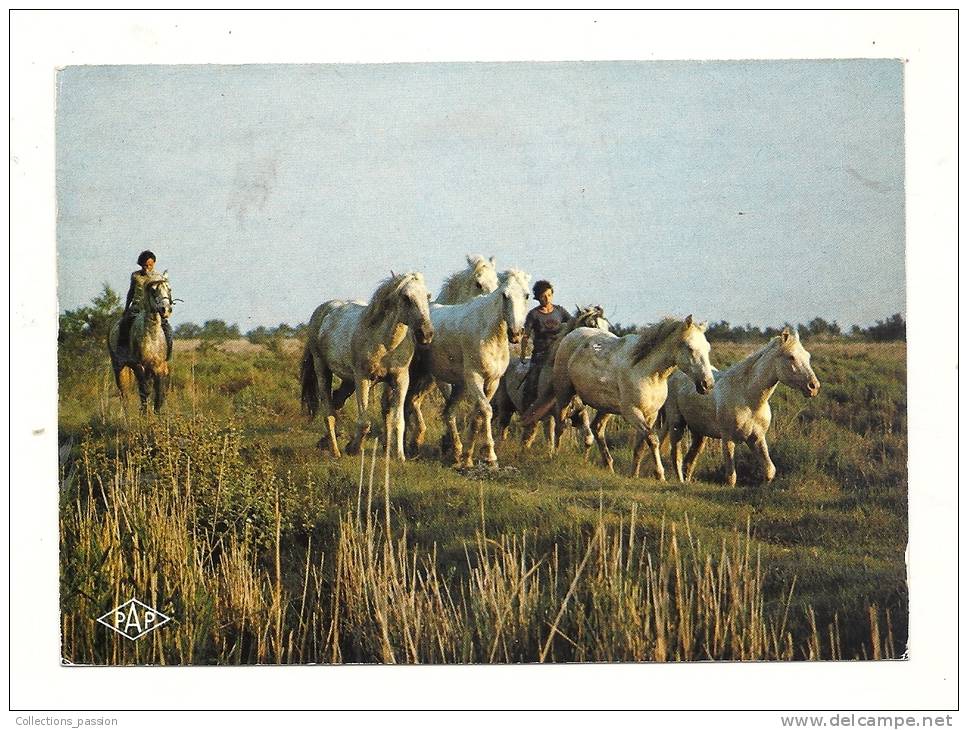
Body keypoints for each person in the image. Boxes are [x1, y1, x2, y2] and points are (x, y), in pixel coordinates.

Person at [520, 279, 571, 410]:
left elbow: (572, 324)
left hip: (559, 352)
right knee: (532, 380)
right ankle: (528, 409)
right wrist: (522, 353)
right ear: (537, 298)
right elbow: (525, 335)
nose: (547, 298)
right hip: (540, 354)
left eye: (549, 295)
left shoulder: (560, 311)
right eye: (543, 296)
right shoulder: (533, 314)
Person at [119, 250, 173, 359]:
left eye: (150, 265)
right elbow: (131, 292)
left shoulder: (158, 277)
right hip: (137, 308)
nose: (147, 267)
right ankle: (124, 353)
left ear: (154, 264)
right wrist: (126, 308)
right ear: (140, 264)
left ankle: (168, 355)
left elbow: (164, 293)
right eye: (144, 265)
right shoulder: (135, 276)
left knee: (168, 330)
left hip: (153, 310)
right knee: (124, 325)